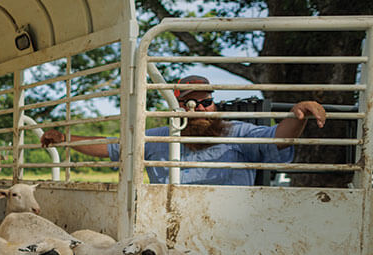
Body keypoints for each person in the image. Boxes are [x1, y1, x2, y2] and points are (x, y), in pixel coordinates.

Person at [40, 75, 327, 185]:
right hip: (170, 226)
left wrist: (298, 114)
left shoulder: (236, 131)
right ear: (178, 106)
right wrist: (65, 139)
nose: (200, 108)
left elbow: (277, 138)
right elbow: (110, 146)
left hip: (229, 231)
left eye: (207, 101)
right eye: (191, 102)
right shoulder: (159, 137)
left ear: (215, 104)